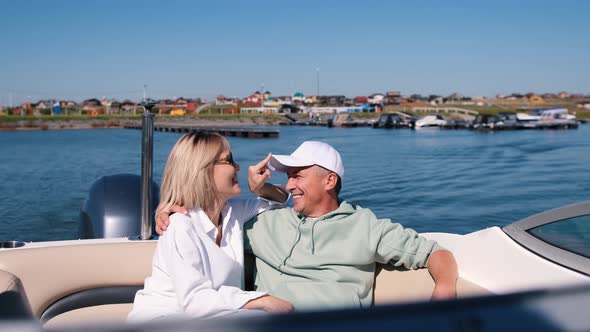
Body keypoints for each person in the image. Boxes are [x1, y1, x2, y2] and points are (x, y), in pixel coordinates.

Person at [157, 140, 458, 311]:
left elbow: (435, 254)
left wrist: (444, 289)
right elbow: (211, 229)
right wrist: (174, 209)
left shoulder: (366, 227)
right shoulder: (261, 224)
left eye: (297, 176)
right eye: (287, 176)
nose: (289, 185)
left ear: (329, 181)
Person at [128, 131, 294, 322]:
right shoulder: (180, 224)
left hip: (208, 320)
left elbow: (280, 200)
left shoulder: (232, 213)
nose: (238, 167)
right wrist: (264, 300)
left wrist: (259, 188)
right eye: (229, 160)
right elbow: (194, 301)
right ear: (202, 170)